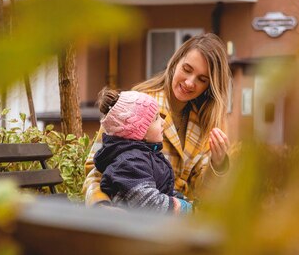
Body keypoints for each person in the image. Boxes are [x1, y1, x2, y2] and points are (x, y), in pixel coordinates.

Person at [83, 33, 232, 206]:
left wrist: (218, 164)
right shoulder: (138, 104)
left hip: (178, 221)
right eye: (187, 69)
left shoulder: (205, 123)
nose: (190, 83)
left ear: (209, 86)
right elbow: (94, 172)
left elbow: (202, 193)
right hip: (131, 219)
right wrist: (101, 207)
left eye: (202, 79)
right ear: (175, 62)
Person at [93, 87, 192, 214]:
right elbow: (150, 203)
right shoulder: (130, 163)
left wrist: (185, 201)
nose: (163, 122)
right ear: (139, 132)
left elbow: (164, 190)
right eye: (156, 118)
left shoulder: (146, 156)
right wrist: (187, 209)